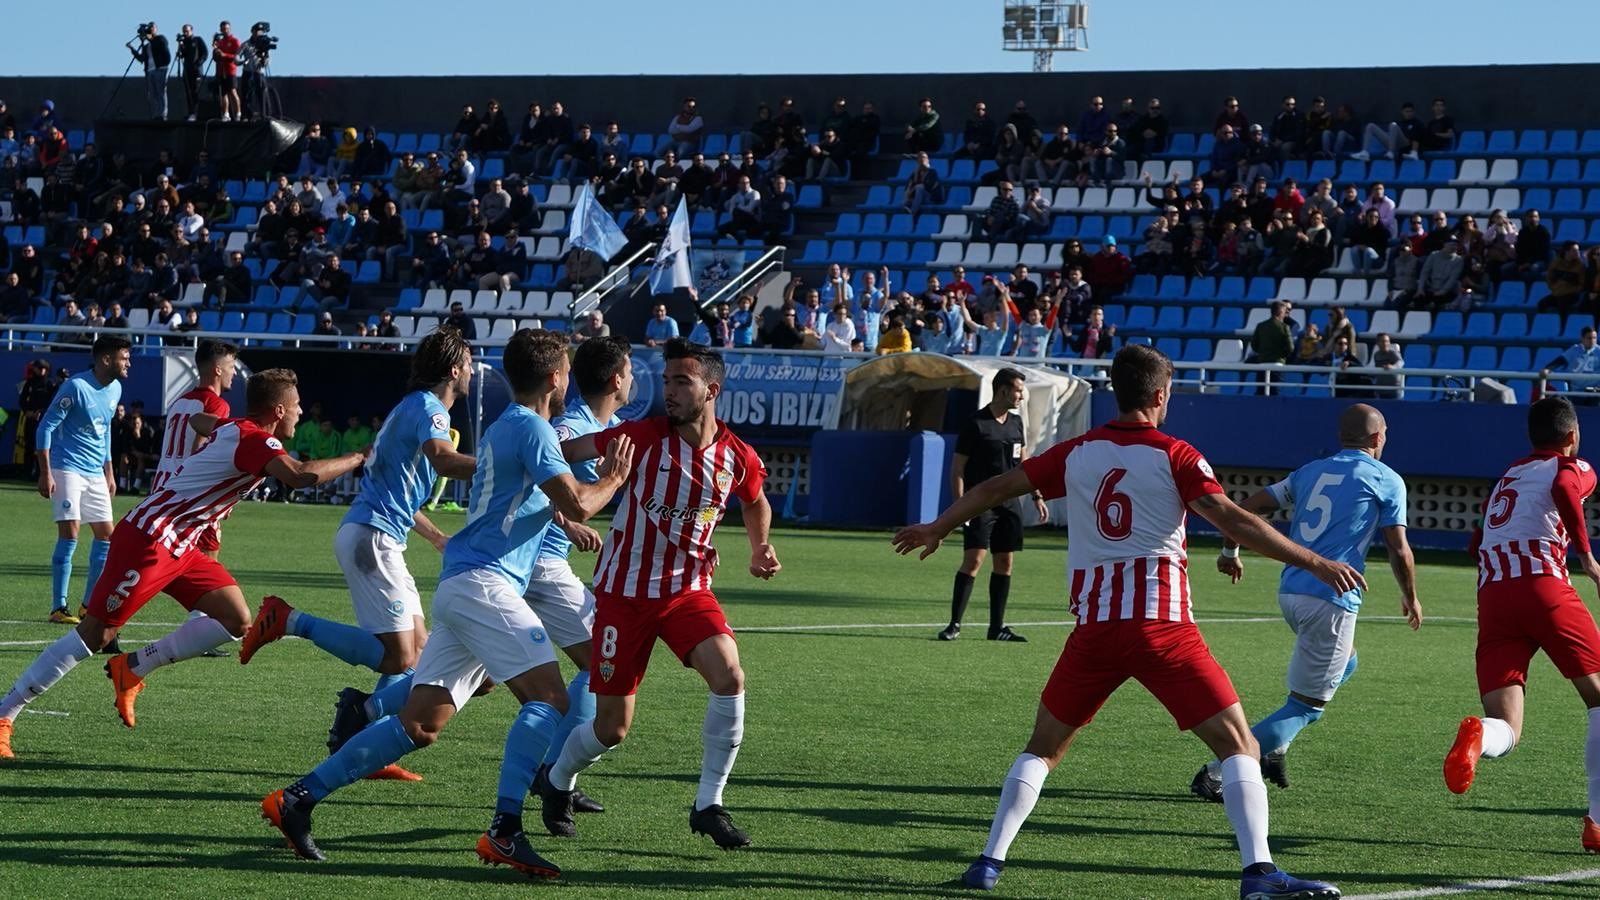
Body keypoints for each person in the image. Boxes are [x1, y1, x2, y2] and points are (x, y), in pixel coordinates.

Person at [892, 344, 1354, 898]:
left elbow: (994, 488)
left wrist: (938, 526)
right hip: (1162, 629)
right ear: (1160, 395)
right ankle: (1259, 874)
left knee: (1043, 748)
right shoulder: (1177, 454)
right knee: (1239, 747)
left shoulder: (1077, 453)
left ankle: (988, 862)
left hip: (1094, 630)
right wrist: (1316, 562)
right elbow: (1232, 519)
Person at [261, 330, 633, 875]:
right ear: (557, 378)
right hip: (486, 584)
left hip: (466, 584)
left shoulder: (509, 425)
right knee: (550, 698)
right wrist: (616, 477)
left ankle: (297, 798)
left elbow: (545, 480)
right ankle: (505, 831)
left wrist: (592, 481)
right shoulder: (532, 428)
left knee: (420, 724)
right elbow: (578, 500)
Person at [0, 369, 367, 759]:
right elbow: (300, 476)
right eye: (296, 406)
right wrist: (359, 457)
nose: (300, 413)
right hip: (149, 539)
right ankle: (5, 714)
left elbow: (199, 422)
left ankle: (133, 668)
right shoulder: (255, 439)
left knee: (236, 619)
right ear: (278, 410)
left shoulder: (236, 428)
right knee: (96, 634)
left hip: (181, 544)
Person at [538, 339, 780, 850]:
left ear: (711, 390)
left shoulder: (736, 455)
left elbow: (756, 500)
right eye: (666, 380)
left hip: (688, 592)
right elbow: (563, 455)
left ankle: (709, 804)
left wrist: (760, 547)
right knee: (612, 728)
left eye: (681, 382)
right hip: (623, 596)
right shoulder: (640, 436)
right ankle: (557, 782)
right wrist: (548, 473)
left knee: (730, 675)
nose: (668, 391)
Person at [238, 330, 480, 782]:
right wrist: (505, 465)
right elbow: (444, 460)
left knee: (420, 652)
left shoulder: (413, 408)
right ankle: (289, 620)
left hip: (378, 534)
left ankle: (369, 744)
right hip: (373, 538)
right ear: (453, 369)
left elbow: (397, 493)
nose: (471, 369)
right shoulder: (429, 409)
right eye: (467, 362)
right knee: (400, 658)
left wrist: (437, 537)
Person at [1192, 404, 1420, 801]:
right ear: (1377, 437)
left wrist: (1230, 551)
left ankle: (1276, 745)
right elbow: (1399, 549)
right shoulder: (1386, 478)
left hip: (1292, 593)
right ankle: (1216, 773)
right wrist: (1411, 596)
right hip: (1331, 599)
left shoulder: (1309, 472)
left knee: (1348, 661)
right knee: (1306, 708)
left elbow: (1246, 510)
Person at [1443, 397, 1600, 854]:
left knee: (1505, 725)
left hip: (1493, 596)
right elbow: (1567, 487)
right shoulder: (1572, 466)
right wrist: (1586, 557)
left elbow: (1476, 541)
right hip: (1542, 587)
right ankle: (1597, 820)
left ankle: (1479, 736)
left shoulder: (1508, 476)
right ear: (1572, 436)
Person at [523, 336, 635, 816]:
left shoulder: (611, 429)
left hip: (532, 566)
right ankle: (553, 773)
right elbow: (533, 475)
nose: (633, 379)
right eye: (630, 371)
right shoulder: (570, 428)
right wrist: (567, 521)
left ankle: (368, 709)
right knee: (603, 662)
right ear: (616, 379)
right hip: (538, 564)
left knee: (467, 680)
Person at [937, 368, 1049, 643]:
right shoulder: (976, 424)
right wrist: (960, 508)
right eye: (1018, 390)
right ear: (1003, 391)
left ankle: (996, 628)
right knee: (974, 560)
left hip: (1009, 504)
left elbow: (1024, 463)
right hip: (980, 504)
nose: (1021, 396)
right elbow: (957, 469)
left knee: (1004, 562)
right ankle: (954, 624)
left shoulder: (1016, 423)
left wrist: (1036, 495)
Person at [35, 337, 129, 625]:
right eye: (124, 358)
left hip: (95, 472)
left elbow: (105, 430)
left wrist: (109, 471)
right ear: (106, 359)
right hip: (67, 468)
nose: (128, 363)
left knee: (107, 537)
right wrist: (45, 472)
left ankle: (89, 605)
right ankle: (59, 607)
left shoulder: (116, 388)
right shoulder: (75, 387)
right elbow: (45, 427)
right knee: (71, 533)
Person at [131, 23, 172, 121]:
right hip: (150, 70)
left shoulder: (160, 39)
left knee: (160, 92)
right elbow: (142, 59)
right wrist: (132, 49)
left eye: (152, 27)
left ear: (156, 29)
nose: (150, 29)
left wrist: (164, 64)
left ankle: (162, 114)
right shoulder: (147, 45)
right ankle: (156, 115)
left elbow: (164, 51)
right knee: (152, 94)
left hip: (160, 69)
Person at [212, 21, 242, 123]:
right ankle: (226, 114)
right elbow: (216, 58)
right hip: (221, 70)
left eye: (227, 29)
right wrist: (215, 51)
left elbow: (237, 56)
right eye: (223, 29)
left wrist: (225, 55)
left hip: (230, 70)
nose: (225, 31)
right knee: (223, 93)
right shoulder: (220, 42)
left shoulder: (234, 41)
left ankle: (238, 113)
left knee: (232, 91)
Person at [176, 24, 207, 121]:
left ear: (191, 30)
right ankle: (191, 112)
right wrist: (180, 47)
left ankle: (196, 113)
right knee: (188, 92)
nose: (185, 33)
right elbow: (183, 55)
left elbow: (205, 53)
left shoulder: (197, 40)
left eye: (187, 31)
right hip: (187, 70)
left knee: (195, 91)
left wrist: (198, 63)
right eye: (184, 31)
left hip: (196, 70)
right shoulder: (184, 42)